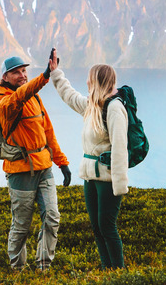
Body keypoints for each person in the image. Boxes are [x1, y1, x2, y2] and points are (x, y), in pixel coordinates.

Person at [48, 49, 128, 269]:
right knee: (96, 227)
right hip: (90, 177)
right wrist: (56, 73)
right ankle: (106, 269)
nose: (86, 82)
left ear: (99, 82)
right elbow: (70, 96)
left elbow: (121, 149)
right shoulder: (92, 106)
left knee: (107, 227)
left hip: (108, 179)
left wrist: (119, 185)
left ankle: (119, 273)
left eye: (90, 79)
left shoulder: (114, 108)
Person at [0, 53, 72, 272]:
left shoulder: (35, 98)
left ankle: (43, 267)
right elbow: (19, 96)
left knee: (52, 217)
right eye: (16, 72)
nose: (22, 75)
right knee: (21, 226)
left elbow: (48, 132)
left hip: (44, 167)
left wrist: (62, 162)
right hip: (20, 171)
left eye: (24, 71)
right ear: (5, 77)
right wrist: (45, 76)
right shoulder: (5, 103)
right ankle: (17, 270)